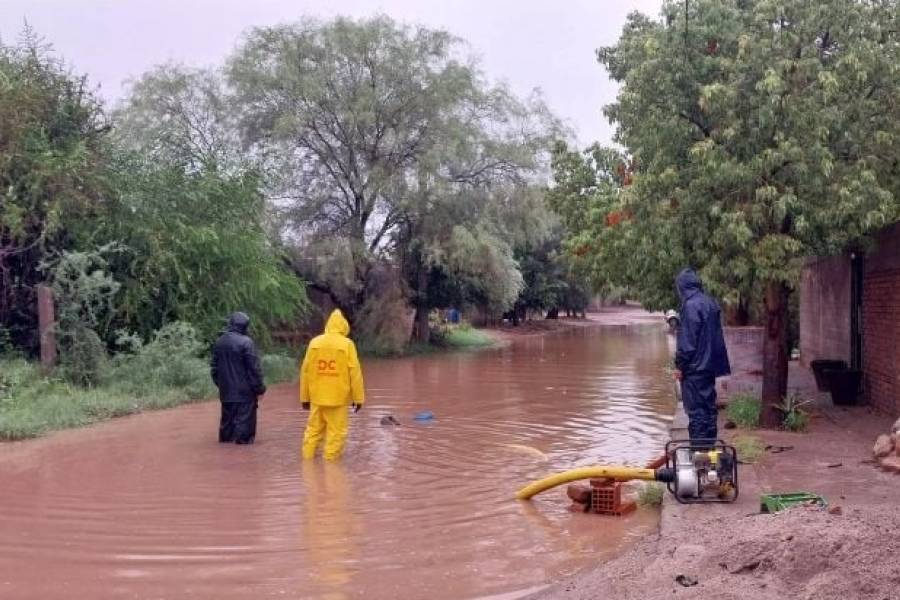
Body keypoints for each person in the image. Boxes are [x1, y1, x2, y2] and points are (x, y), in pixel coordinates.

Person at [673, 268, 731, 446]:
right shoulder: (710, 303)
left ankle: (699, 453)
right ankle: (709, 448)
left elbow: (687, 343)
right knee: (708, 409)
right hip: (709, 367)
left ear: (682, 287)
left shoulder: (690, 306)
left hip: (695, 369)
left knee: (697, 412)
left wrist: (679, 366)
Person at [300, 309, 365, 461]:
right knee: (336, 434)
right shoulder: (347, 344)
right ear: (344, 326)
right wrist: (358, 398)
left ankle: (307, 465)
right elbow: (355, 373)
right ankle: (331, 468)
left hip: (317, 398)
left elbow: (305, 371)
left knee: (313, 432)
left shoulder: (314, 343)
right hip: (338, 399)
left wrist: (304, 398)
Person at [210, 312, 266, 444]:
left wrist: (222, 385)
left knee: (226, 434)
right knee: (243, 438)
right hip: (245, 395)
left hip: (226, 394)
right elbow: (254, 369)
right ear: (245, 326)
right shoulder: (246, 343)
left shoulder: (220, 341)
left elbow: (214, 369)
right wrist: (259, 389)